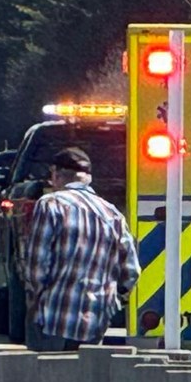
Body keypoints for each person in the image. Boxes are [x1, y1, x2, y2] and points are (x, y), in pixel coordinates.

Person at [23, 147, 141, 352]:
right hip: (95, 321)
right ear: (88, 178)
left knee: (47, 380)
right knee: (85, 380)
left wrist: (35, 297)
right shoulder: (111, 213)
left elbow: (36, 266)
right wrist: (112, 299)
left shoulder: (51, 204)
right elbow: (131, 271)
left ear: (57, 175)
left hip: (53, 318)